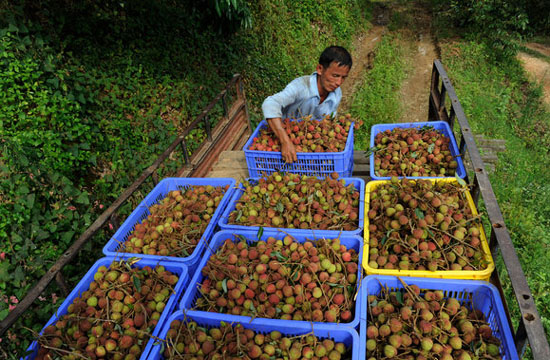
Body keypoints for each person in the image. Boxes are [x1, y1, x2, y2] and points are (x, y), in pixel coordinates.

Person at [262, 45, 352, 163]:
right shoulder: (300, 86)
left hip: (309, 147)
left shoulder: (336, 94)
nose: (339, 82)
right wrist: (285, 141)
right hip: (282, 139)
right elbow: (270, 103)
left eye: (343, 77)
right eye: (335, 76)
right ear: (320, 69)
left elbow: (328, 122)